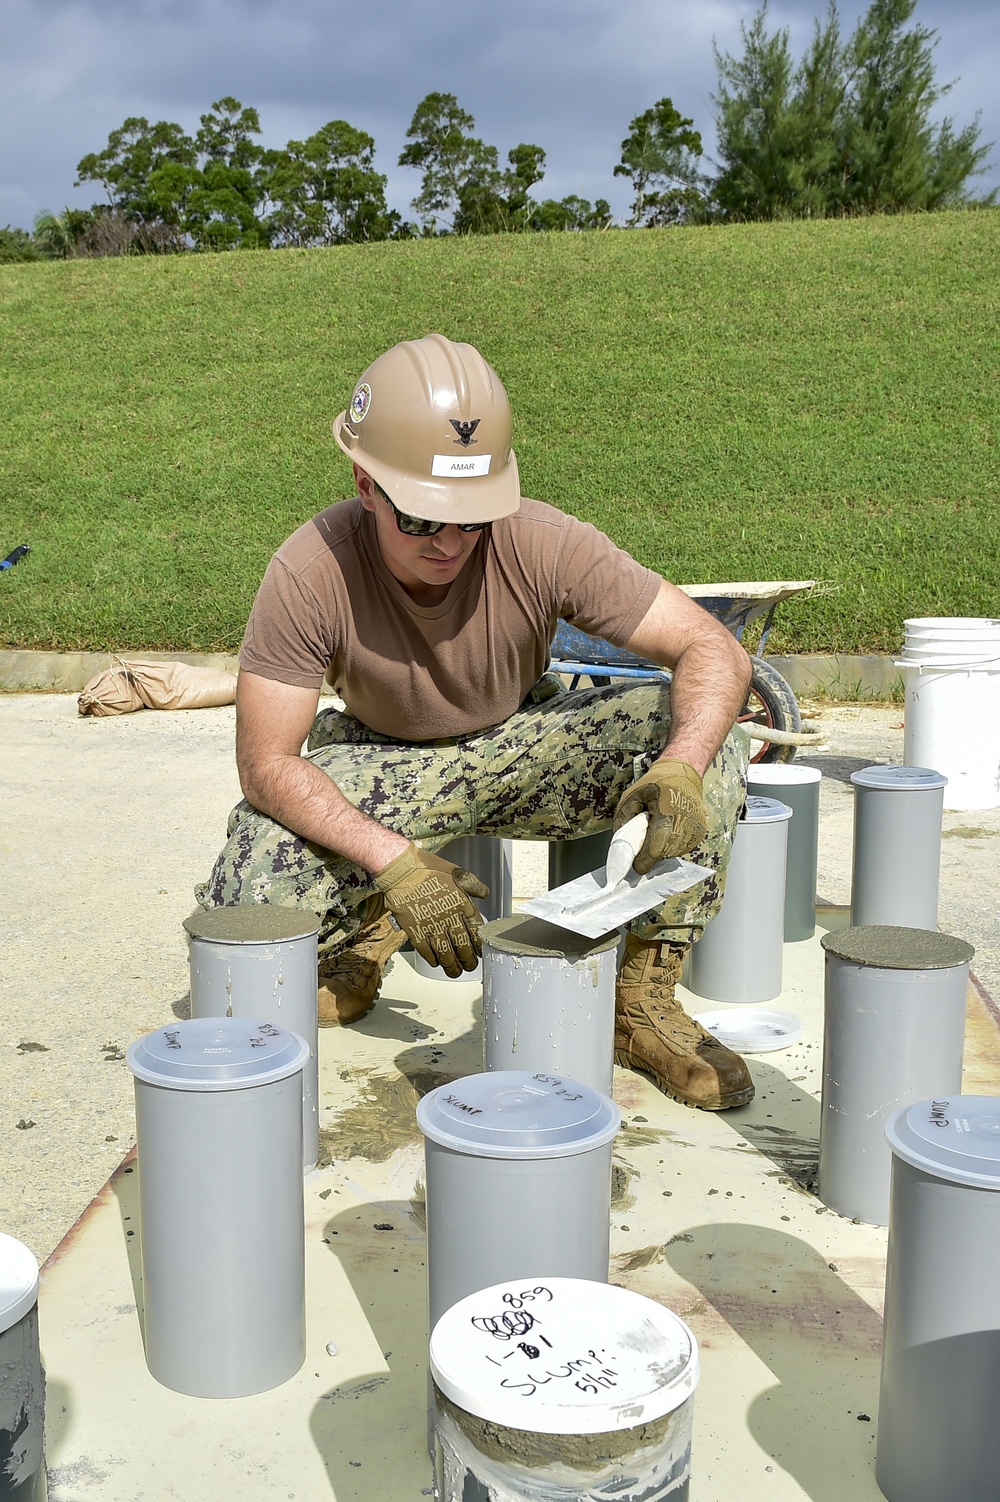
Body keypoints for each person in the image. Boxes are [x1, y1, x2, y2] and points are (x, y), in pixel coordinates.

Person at [196, 333, 755, 1110]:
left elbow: (710, 646)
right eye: (424, 521)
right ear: (365, 484)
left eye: (473, 520)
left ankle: (642, 1000)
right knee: (245, 897)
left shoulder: (543, 540)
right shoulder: (308, 570)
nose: (452, 545)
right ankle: (365, 929)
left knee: (705, 731)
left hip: (524, 743)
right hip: (385, 765)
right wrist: (391, 864)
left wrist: (683, 763)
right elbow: (265, 763)